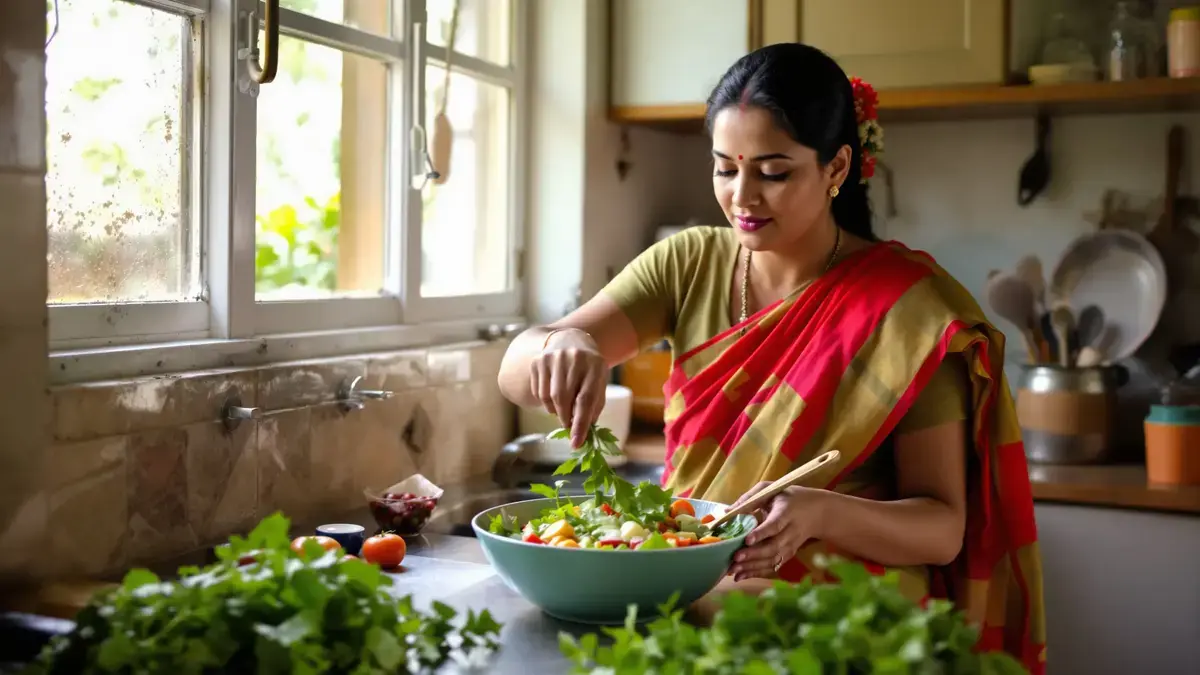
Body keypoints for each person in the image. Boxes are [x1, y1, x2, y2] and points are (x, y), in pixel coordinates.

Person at [497, 43, 1045, 673]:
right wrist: (561, 342)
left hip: (839, 622)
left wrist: (821, 511)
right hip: (688, 589)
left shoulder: (908, 310)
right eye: (724, 168)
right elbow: (515, 374)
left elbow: (944, 528)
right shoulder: (690, 262)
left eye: (773, 171)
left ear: (837, 166)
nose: (742, 197)